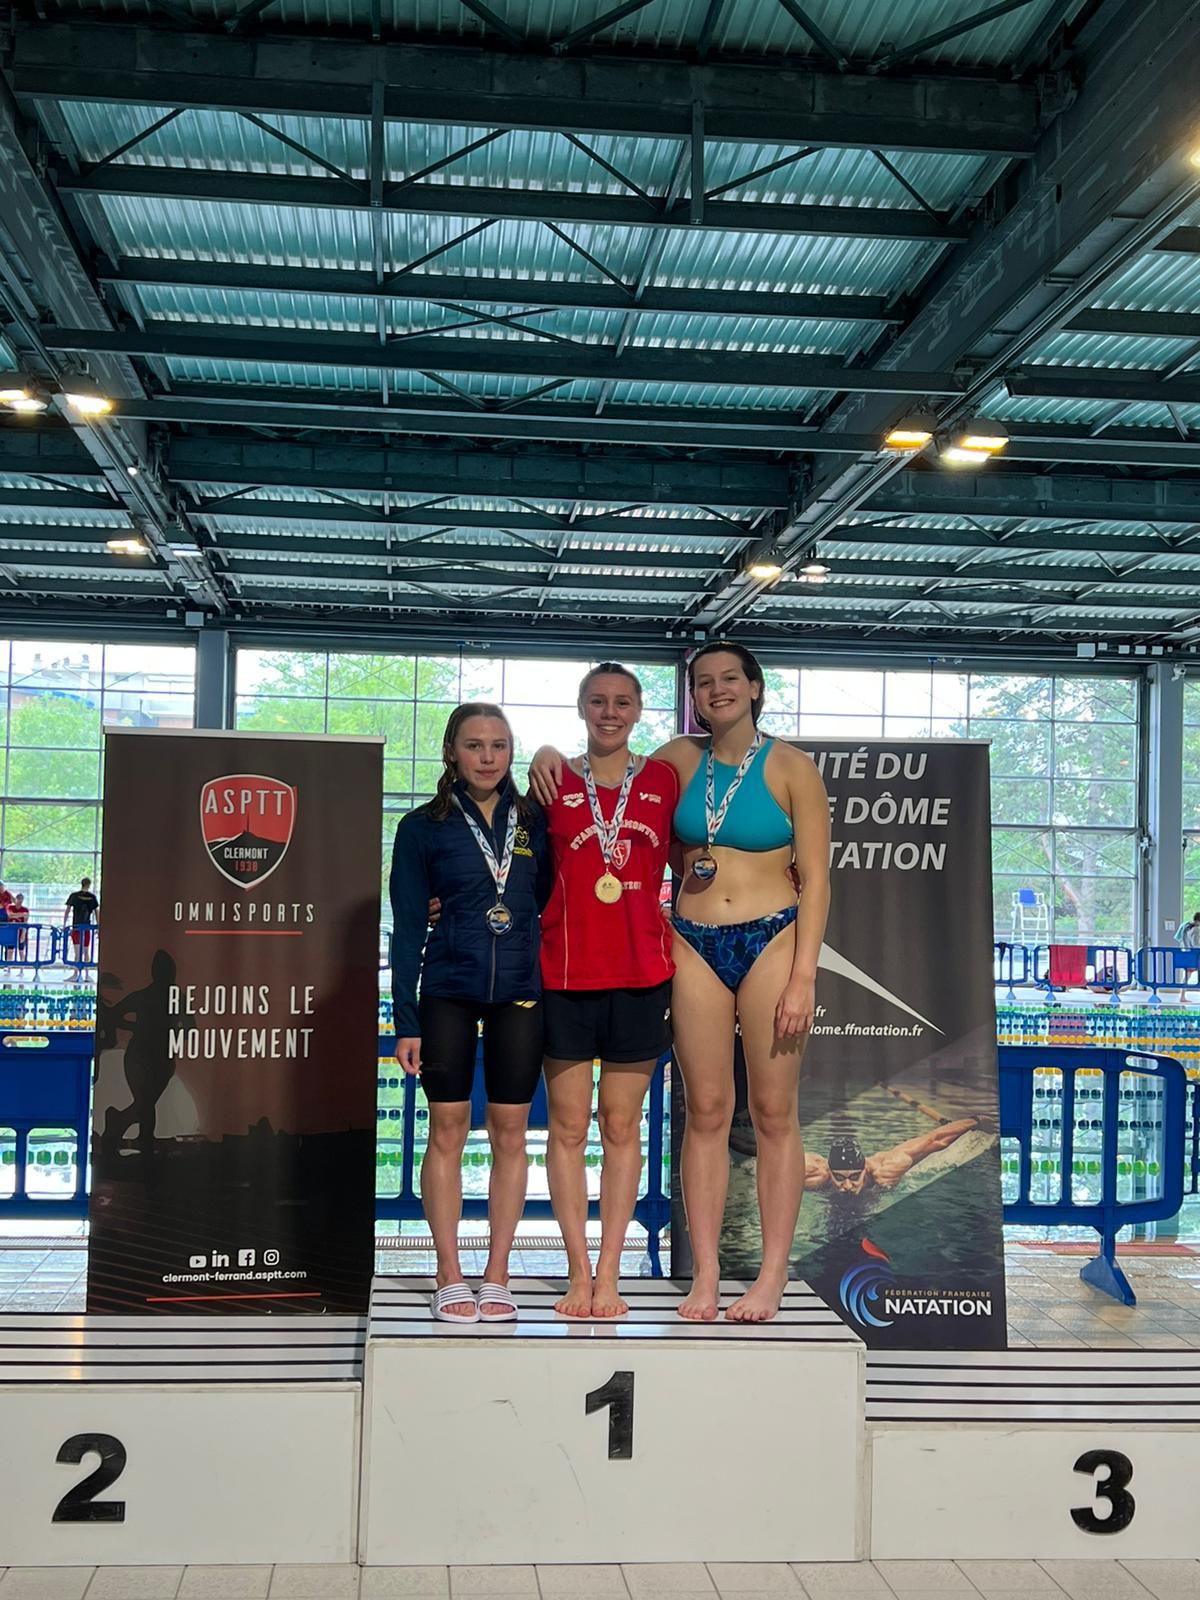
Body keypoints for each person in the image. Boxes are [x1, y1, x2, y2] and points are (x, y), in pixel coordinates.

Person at [531, 641, 830, 1324]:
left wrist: (804, 976)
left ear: (755, 688)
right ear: (692, 696)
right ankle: (708, 1274)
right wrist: (545, 751)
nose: (717, 690)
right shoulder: (675, 761)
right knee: (706, 1112)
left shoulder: (792, 767)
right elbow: (603, 769)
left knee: (774, 1114)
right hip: (692, 941)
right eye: (703, 682)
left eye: (730, 679)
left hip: (772, 939)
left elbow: (816, 879)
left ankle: (772, 1276)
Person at [390, 703, 550, 1323]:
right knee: (448, 1128)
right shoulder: (421, 828)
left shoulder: (534, 823)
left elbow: (545, 899)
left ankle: (498, 1272)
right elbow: (408, 928)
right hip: (447, 991)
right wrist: (407, 1020)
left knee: (512, 1132)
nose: (487, 757)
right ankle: (449, 1271)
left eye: (499, 745)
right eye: (475, 744)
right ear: (451, 752)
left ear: (512, 752)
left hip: (520, 993)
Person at [538, 663, 678, 1319]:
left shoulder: (663, 780)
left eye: (622, 702)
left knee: (621, 1126)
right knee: (567, 1128)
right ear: (581, 708)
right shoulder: (553, 780)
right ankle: (576, 1272)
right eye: (598, 701)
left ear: (639, 710)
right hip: (565, 977)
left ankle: (610, 1272)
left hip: (642, 976)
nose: (610, 712)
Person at [804, 1121, 980, 1196]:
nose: (848, 1186)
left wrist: (976, 1120)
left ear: (865, 1168)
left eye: (855, 1177)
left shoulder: (885, 1170)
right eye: (840, 1178)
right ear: (830, 1171)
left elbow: (935, 1140)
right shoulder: (814, 1175)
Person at [65, 877, 99, 963]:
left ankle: (77, 970)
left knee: (77, 953)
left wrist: (64, 924)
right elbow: (96, 912)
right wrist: (98, 926)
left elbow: (67, 910)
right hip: (86, 927)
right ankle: (86, 970)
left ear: (81, 884)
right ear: (89, 885)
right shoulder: (92, 897)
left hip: (76, 926)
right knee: (86, 951)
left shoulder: (74, 896)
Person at [8, 892, 29, 957]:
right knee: (10, 950)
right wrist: (22, 914)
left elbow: (25, 921)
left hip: (21, 931)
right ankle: (8, 963)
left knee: (21, 951)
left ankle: (22, 963)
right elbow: (9, 915)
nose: (20, 900)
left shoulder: (25, 909)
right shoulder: (10, 907)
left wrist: (23, 934)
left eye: (21, 899)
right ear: (16, 899)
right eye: (18, 898)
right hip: (11, 932)